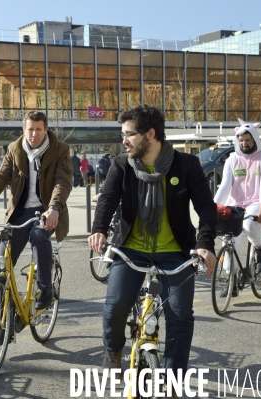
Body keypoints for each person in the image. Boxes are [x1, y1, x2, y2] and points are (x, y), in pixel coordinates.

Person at [87, 105, 216, 377]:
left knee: (180, 317)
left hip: (175, 253)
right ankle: (113, 350)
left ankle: (173, 378)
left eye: (129, 134)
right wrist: (99, 228)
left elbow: (206, 207)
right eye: (122, 134)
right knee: (115, 305)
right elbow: (109, 199)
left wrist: (205, 244)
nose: (124, 140)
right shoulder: (121, 164)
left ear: (151, 134)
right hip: (131, 251)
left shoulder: (187, 165)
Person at [0, 110, 73, 312]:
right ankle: (1, 317)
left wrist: (54, 208)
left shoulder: (60, 150)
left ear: (46, 130)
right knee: (2, 266)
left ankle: (45, 288)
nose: (34, 134)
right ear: (23, 130)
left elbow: (63, 182)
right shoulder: (14, 149)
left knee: (38, 235)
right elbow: (0, 177)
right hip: (19, 213)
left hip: (46, 211)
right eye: (30, 129)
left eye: (38, 129)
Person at [214, 119, 261, 291]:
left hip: (259, 202)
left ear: (255, 140)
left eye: (248, 141)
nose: (244, 144)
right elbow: (225, 185)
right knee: (228, 242)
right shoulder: (232, 159)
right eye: (241, 141)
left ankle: (260, 252)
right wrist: (212, 207)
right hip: (236, 204)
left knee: (250, 223)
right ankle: (232, 279)